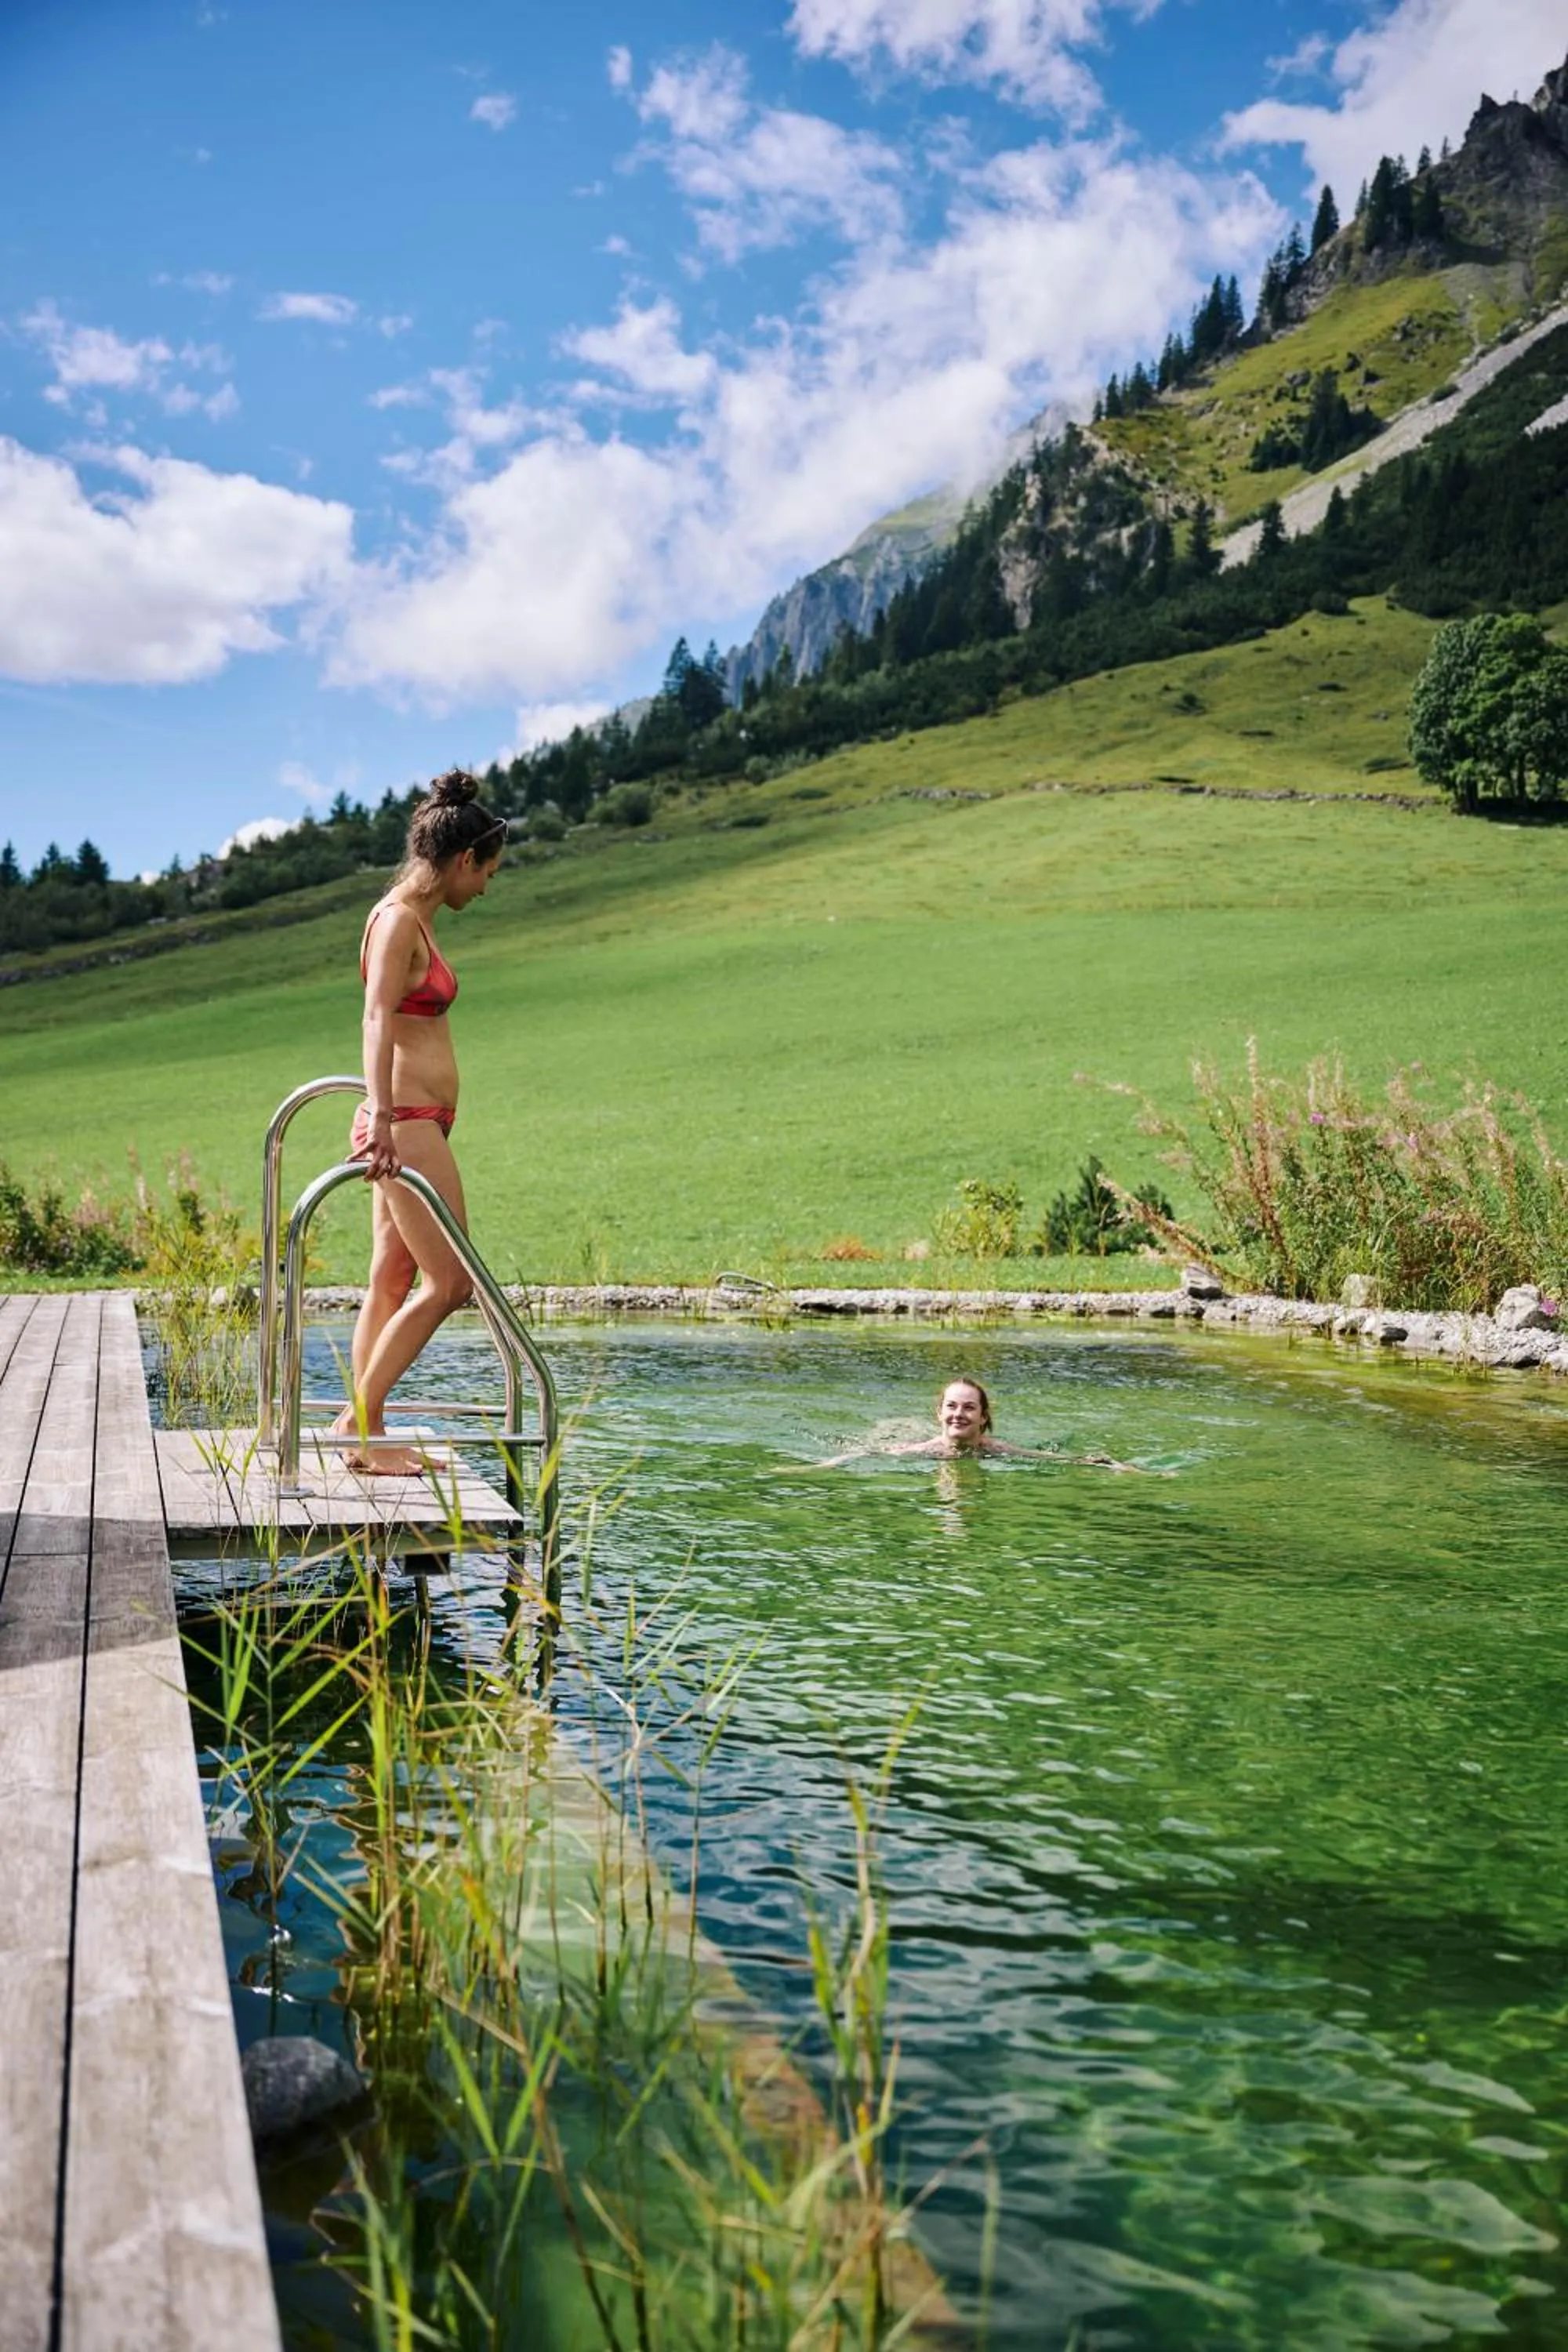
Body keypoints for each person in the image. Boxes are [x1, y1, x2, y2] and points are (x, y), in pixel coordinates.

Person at [330, 769, 506, 1474]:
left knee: (392, 1279)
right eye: (488, 872)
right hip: (402, 1121)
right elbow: (375, 1017)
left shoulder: (411, 918)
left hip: (414, 1119)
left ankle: (359, 1425)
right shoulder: (399, 920)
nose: (487, 888)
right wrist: (379, 1117)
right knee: (451, 1283)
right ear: (464, 860)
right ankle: (359, 1429)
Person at [808, 1377, 1154, 1471]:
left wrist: (1110, 1465)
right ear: (939, 1413)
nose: (959, 1414)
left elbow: (1055, 1460)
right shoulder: (923, 1450)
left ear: (983, 1418)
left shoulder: (996, 1450)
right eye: (952, 1406)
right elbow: (868, 1454)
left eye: (969, 1408)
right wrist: (823, 1465)